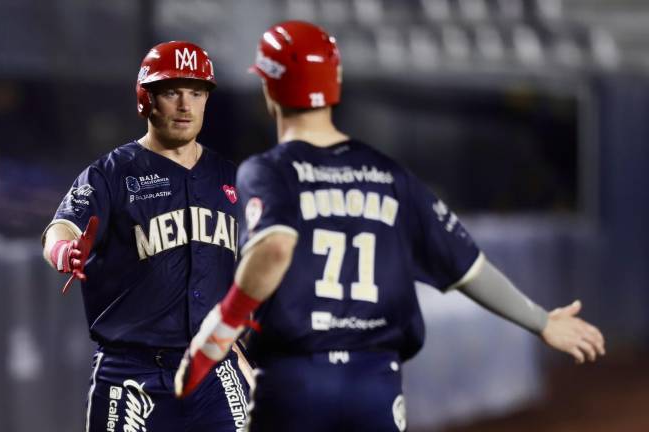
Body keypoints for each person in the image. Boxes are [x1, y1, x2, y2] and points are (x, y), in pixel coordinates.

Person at [175, 21, 606, 431]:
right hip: (375, 382)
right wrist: (542, 322)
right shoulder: (391, 176)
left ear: (269, 87)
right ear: (334, 86)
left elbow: (273, 249)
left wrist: (216, 336)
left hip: (296, 380)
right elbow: (467, 267)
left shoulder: (268, 171)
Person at [42, 41, 251, 432]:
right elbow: (62, 226)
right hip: (130, 372)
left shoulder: (231, 178)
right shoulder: (112, 173)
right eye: (172, 92)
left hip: (214, 368)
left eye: (197, 92)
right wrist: (64, 251)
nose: (186, 105)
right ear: (146, 98)